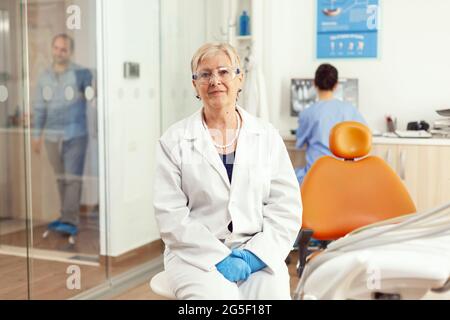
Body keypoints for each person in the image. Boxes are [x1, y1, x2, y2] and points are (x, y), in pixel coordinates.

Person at [153, 43, 302, 300]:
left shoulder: (266, 136)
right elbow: (171, 216)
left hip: (256, 251)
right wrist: (217, 256)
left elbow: (285, 208)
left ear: (239, 78)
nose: (215, 81)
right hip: (195, 256)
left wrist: (253, 256)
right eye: (205, 74)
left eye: (224, 72)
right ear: (195, 84)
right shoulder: (174, 140)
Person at [32, 33, 92, 236]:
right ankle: (65, 215)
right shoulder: (45, 76)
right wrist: (36, 135)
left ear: (70, 52)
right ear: (52, 49)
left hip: (75, 133)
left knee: (72, 178)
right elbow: (40, 108)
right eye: (56, 48)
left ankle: (70, 220)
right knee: (60, 177)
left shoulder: (81, 73)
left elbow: (91, 98)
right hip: (51, 135)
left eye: (63, 49)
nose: (59, 52)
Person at [295, 63, 367, 185]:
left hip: (317, 174)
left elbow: (299, 143)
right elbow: (364, 139)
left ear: (314, 83)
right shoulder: (350, 110)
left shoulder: (307, 113)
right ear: (336, 85)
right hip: (345, 174)